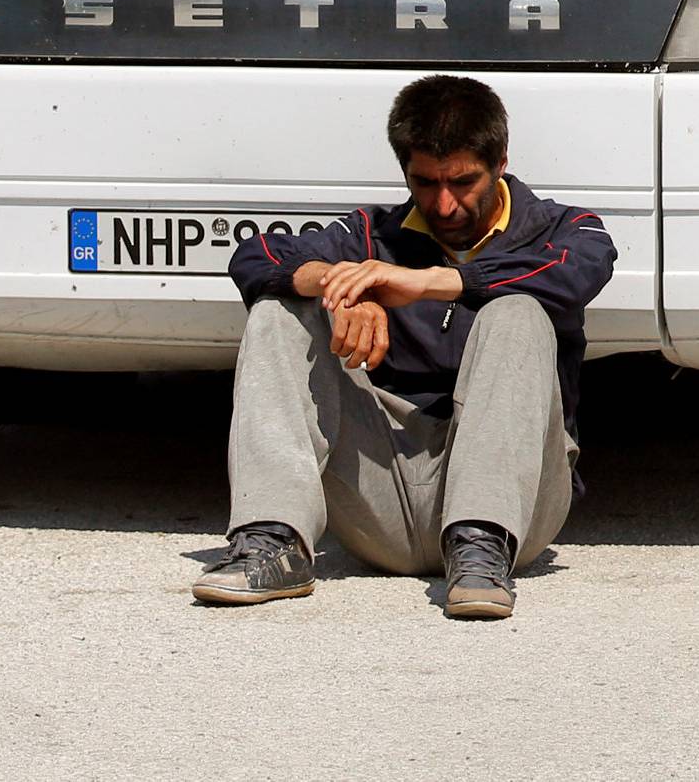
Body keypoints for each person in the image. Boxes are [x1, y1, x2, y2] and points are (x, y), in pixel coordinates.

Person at [196, 74, 615, 621]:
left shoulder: (563, 229)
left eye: (463, 181)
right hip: (383, 498)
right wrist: (343, 286)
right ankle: (270, 540)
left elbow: (579, 271)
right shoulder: (373, 235)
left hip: (516, 506)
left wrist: (423, 282)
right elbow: (254, 258)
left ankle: (481, 546)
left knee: (518, 309)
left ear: (501, 161)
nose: (444, 203)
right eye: (425, 182)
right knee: (279, 309)